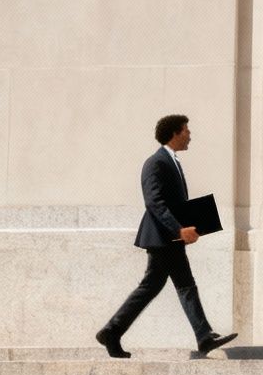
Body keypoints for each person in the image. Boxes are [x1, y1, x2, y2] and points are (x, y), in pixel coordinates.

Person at [96, 114, 237, 358]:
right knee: (181, 285)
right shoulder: (156, 162)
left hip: (169, 238)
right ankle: (203, 336)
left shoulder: (172, 162)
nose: (190, 135)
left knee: (158, 286)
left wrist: (191, 223)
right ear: (175, 133)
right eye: (186, 130)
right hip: (162, 237)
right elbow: (154, 202)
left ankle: (113, 330)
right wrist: (177, 229)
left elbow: (172, 202)